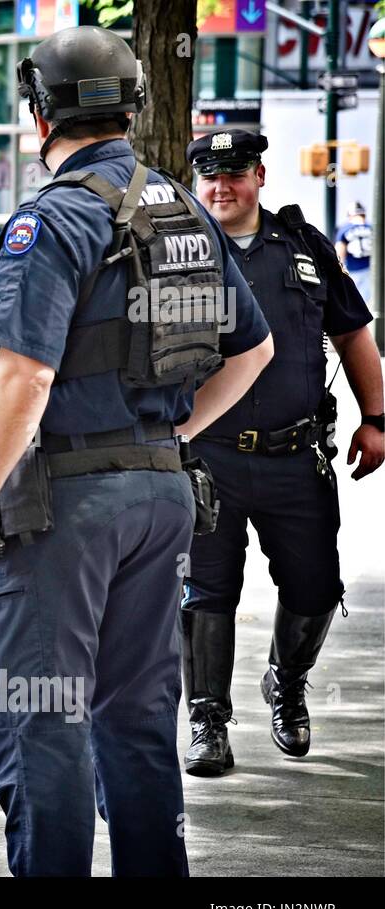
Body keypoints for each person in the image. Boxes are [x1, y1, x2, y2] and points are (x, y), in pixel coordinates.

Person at [0, 27, 274, 876]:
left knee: (40, 714)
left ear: (43, 110)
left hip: (62, 510)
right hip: (158, 495)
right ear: (129, 103)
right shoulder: (181, 208)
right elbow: (253, 351)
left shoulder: (53, 218)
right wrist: (169, 439)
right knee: (136, 715)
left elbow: (23, 377)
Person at [179, 131, 383, 777]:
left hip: (294, 456)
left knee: (317, 585)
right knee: (205, 590)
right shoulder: (177, 254)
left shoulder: (302, 247)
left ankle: (286, 680)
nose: (221, 186)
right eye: (208, 176)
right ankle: (208, 718)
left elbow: (353, 334)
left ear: (260, 175)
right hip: (205, 457)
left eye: (235, 173)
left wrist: (376, 418)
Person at [335, 201, 373, 307]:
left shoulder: (345, 229)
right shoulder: (372, 227)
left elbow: (339, 254)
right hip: (370, 271)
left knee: (352, 303)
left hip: (352, 270)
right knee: (368, 304)